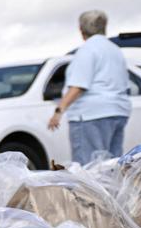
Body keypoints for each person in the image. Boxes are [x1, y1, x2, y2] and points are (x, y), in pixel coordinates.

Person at [47, 9, 131, 164]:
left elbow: (78, 86)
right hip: (118, 111)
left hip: (91, 115)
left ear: (81, 29)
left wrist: (58, 111)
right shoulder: (115, 50)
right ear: (104, 26)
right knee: (111, 166)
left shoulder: (87, 50)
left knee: (89, 168)